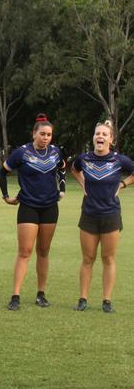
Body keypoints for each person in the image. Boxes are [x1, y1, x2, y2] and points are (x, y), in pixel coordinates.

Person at [0, 114, 65, 311]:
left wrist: (62, 190)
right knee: (24, 251)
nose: (46, 138)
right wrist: (6, 196)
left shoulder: (55, 152)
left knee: (43, 251)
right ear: (34, 134)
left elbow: (62, 169)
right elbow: (3, 172)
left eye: (49, 135)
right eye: (42, 134)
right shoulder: (22, 152)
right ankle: (15, 296)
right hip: (28, 206)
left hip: (50, 207)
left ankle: (41, 294)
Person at [70, 120, 134, 313]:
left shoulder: (119, 160)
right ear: (93, 137)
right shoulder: (84, 158)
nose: (100, 137)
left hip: (110, 215)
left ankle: (106, 301)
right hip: (89, 214)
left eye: (104, 134)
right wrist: (83, 185)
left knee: (108, 258)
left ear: (111, 139)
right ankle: (83, 299)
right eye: (98, 134)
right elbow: (74, 169)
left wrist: (123, 185)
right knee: (88, 258)